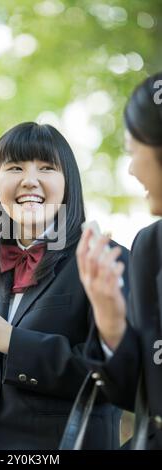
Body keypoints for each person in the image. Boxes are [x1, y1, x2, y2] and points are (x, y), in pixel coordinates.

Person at [0, 122, 129, 450]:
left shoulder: (105, 259)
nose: (30, 180)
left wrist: (12, 341)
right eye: (15, 167)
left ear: (68, 183)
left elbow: (114, 379)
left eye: (46, 167)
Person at [76, 72, 162, 450]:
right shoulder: (149, 248)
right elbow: (138, 397)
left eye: (131, 151)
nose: (130, 169)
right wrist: (110, 317)